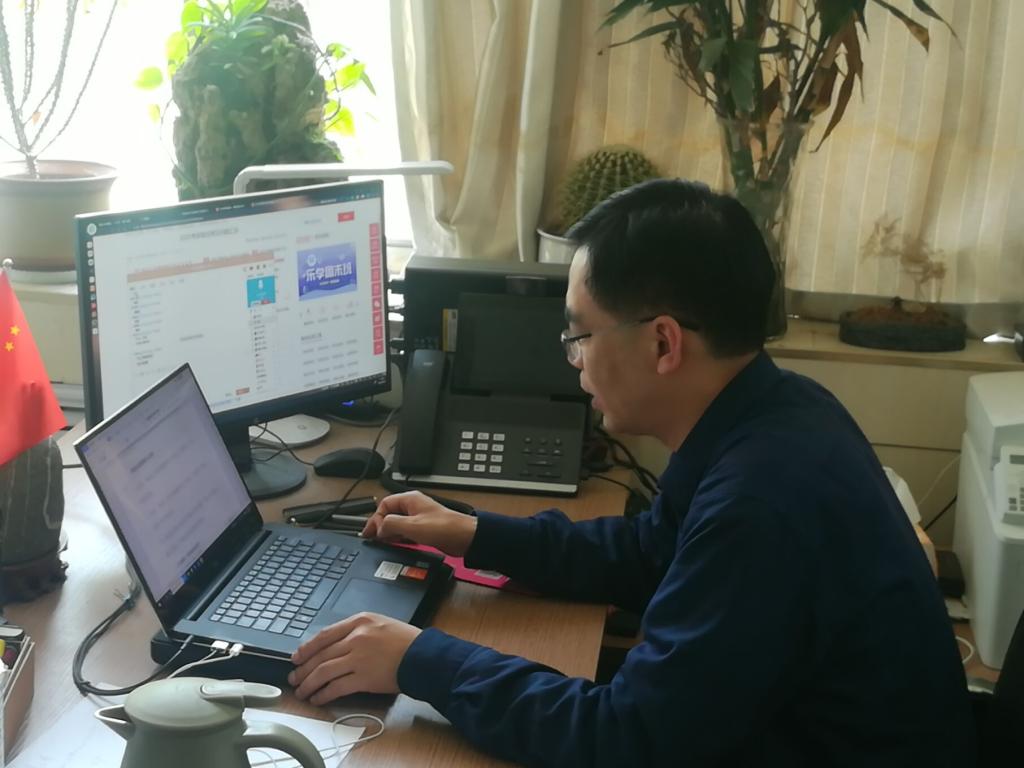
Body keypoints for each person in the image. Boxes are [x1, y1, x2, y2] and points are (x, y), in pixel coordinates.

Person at [289, 179, 974, 766]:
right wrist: (474, 533)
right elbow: (650, 551)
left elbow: (626, 739)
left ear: (663, 342)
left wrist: (421, 660)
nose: (574, 360)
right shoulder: (778, 408)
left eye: (579, 335)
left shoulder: (760, 503)